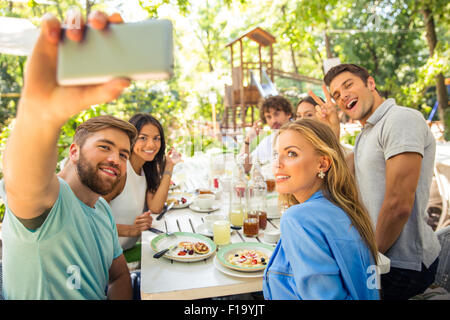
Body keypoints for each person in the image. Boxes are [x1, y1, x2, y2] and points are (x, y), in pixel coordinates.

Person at [0, 10, 135, 299]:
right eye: (105, 147)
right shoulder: (49, 200)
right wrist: (42, 115)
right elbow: (23, 177)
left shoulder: (101, 210)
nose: (116, 159)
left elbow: (119, 275)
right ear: (73, 151)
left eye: (124, 154)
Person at [323, 63, 441, 300]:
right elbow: (338, 178)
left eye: (348, 85)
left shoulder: (400, 119)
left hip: (402, 265)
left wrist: (368, 260)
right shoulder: (367, 132)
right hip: (381, 255)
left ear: (370, 83)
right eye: (336, 94)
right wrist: (332, 132)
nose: (343, 95)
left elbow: (398, 205)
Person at [263, 119, 380, 300]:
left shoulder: (298, 219)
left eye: (291, 154)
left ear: (322, 164)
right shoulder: (348, 209)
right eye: (276, 154)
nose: (277, 164)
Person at [104, 113, 182, 252]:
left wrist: (169, 166)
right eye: (143, 138)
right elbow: (89, 220)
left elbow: (156, 207)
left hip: (128, 249)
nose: (151, 144)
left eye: (156, 138)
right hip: (108, 256)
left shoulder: (145, 169)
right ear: (130, 139)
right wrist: (131, 230)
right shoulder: (120, 171)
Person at [242, 95, 294, 173]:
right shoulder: (268, 141)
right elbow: (246, 168)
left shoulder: (299, 137)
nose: (273, 120)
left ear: (288, 113)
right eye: (269, 117)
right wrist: (247, 141)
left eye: (276, 114)